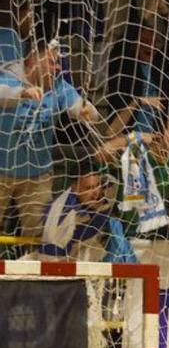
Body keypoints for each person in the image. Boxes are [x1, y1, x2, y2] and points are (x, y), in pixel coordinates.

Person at [0, 40, 101, 238]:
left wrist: (86, 110)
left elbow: (85, 109)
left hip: (38, 175)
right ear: (32, 60)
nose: (57, 67)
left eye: (58, 63)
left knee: (41, 235)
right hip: (1, 171)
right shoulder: (9, 77)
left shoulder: (59, 86)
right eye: (53, 62)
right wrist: (22, 93)